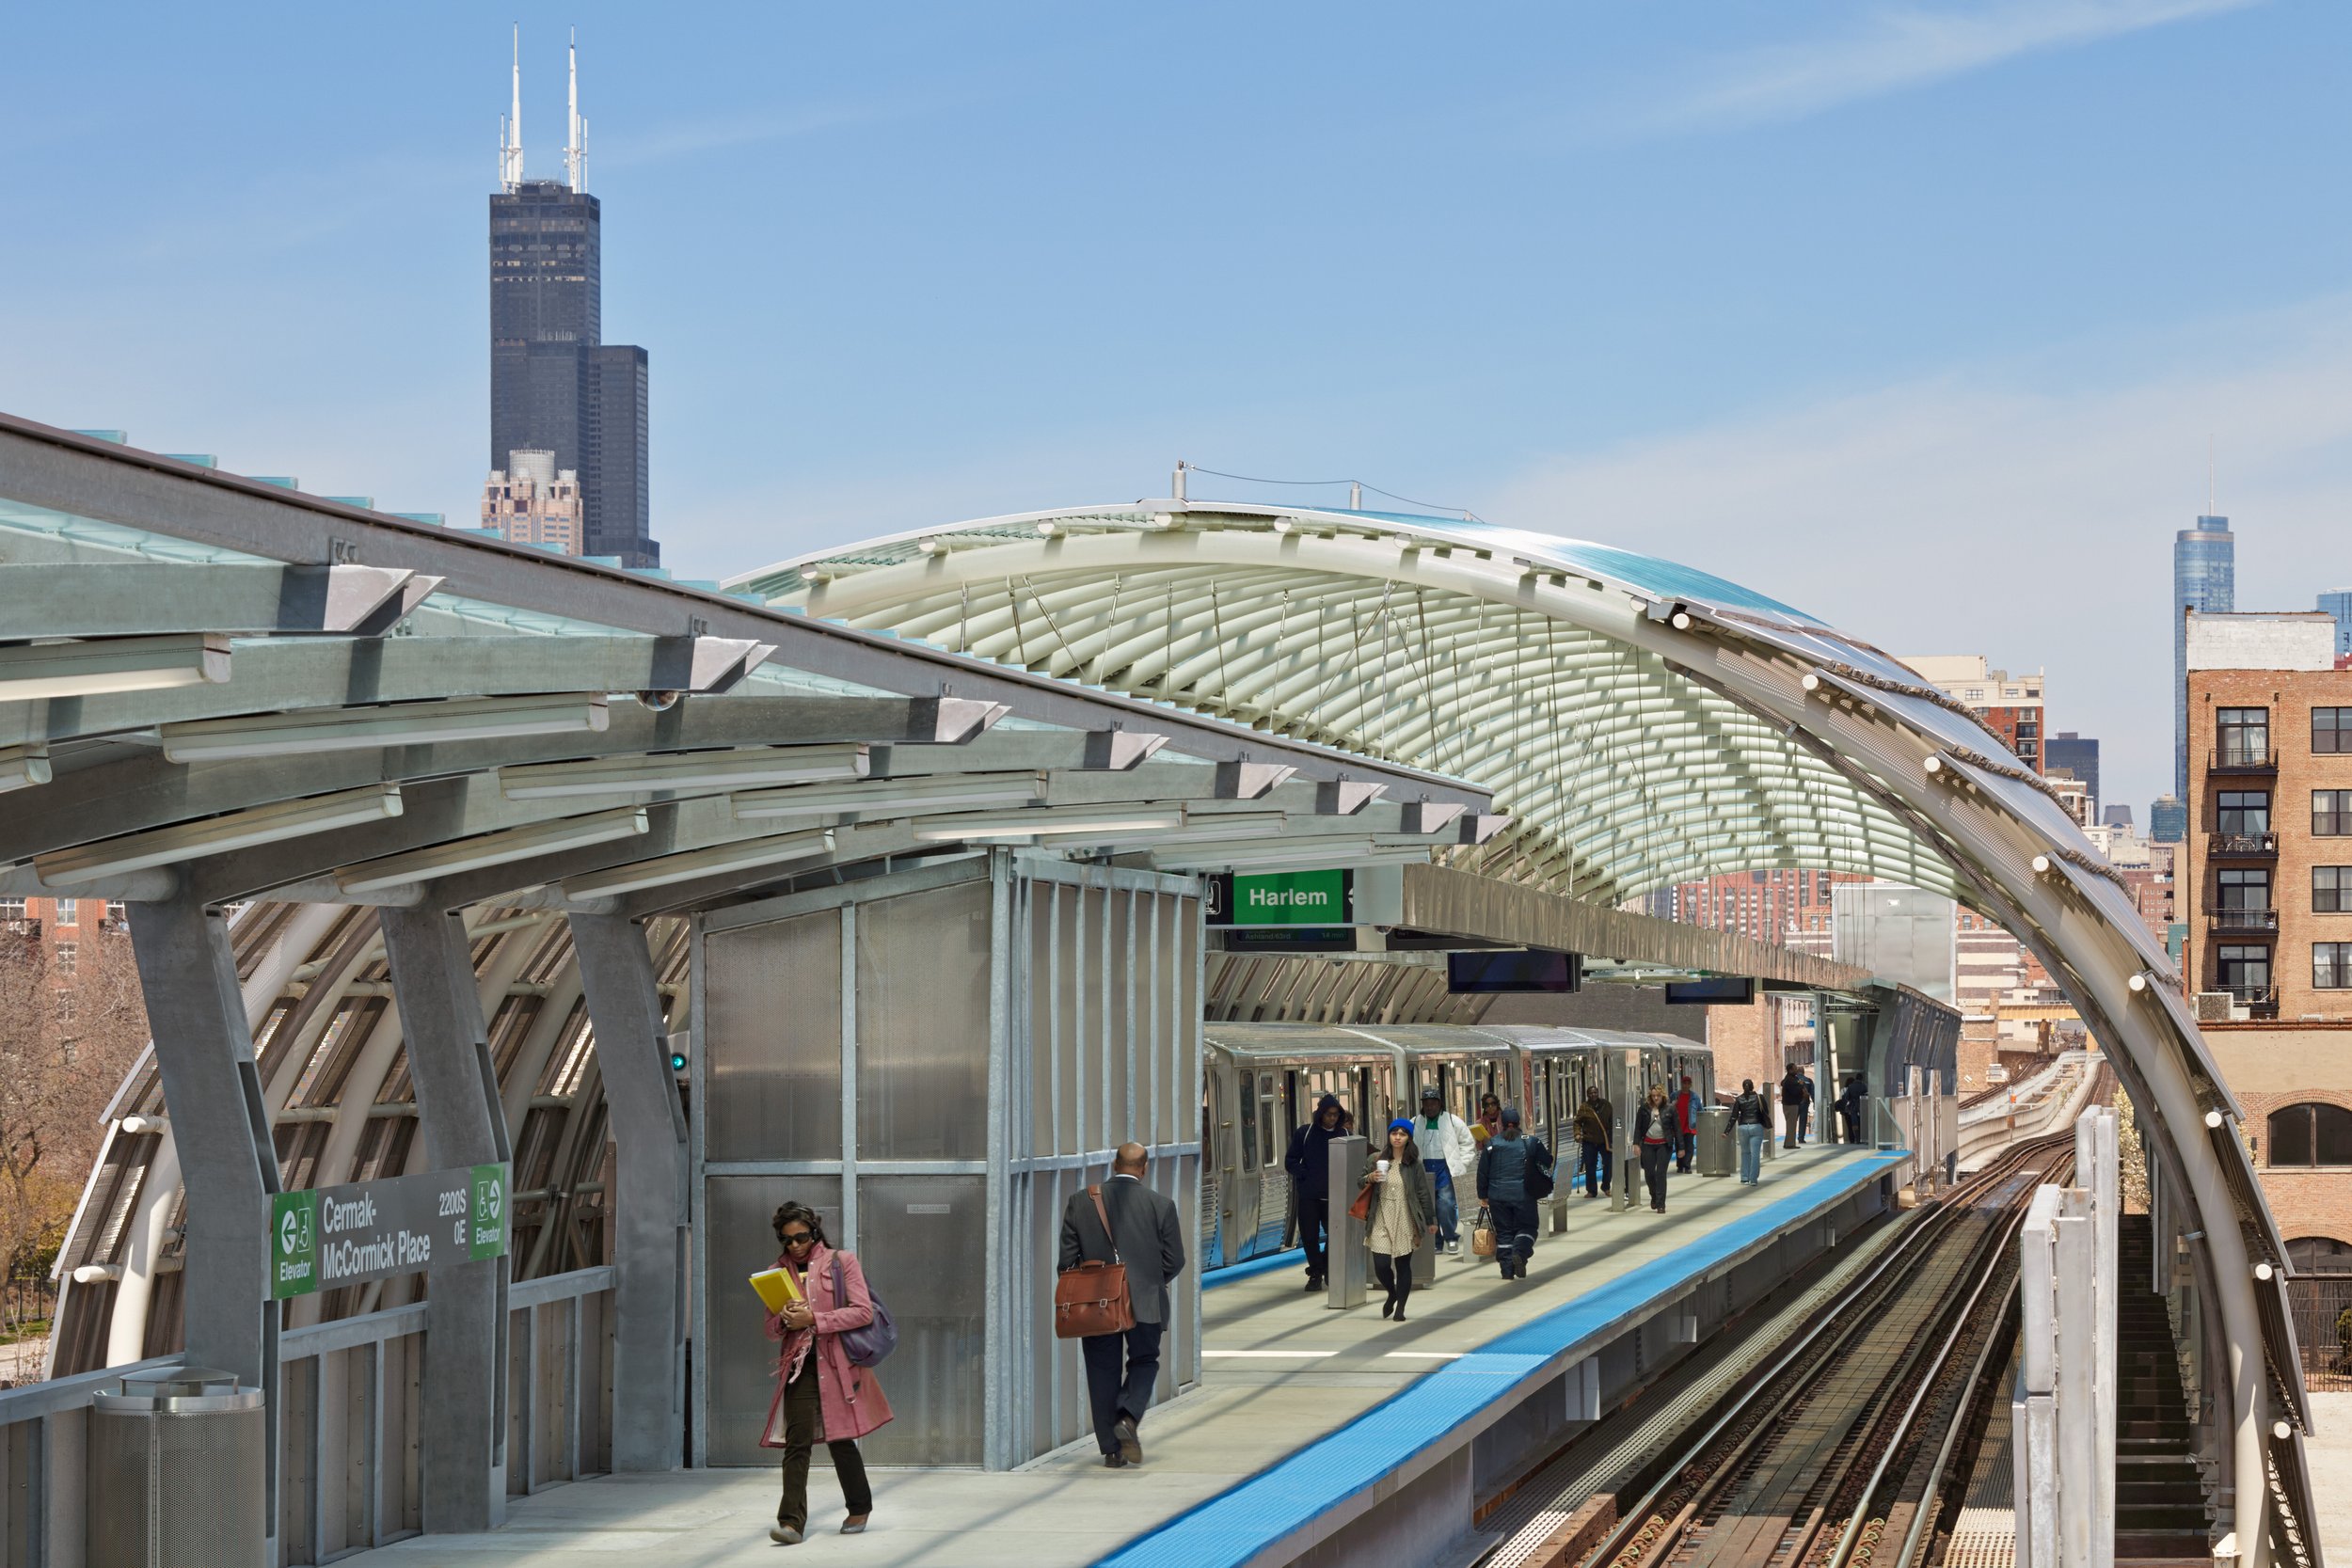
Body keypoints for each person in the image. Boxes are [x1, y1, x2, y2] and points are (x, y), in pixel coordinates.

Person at [760, 1202, 892, 1544]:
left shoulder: (841, 1262)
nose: (795, 1245)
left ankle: (860, 1507)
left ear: (814, 1231)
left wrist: (815, 1320)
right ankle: (790, 1523)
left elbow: (863, 1313)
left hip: (837, 1365)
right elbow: (771, 1330)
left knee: (841, 1439)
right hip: (800, 1367)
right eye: (786, 1239)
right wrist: (786, 1318)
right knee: (797, 1443)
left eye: (801, 1236)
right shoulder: (777, 1272)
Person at [1057, 1143, 1187, 1468]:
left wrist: (1096, 1282)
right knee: (1145, 1361)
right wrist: (1147, 1282)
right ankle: (1128, 1415)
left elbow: (1066, 1262)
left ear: (1114, 1164)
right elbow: (1175, 1260)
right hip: (1145, 1303)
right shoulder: (1161, 1205)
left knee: (1102, 1372)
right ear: (1144, 1168)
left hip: (1098, 1304)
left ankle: (1112, 1451)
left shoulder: (1080, 1202)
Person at [1359, 1119, 1438, 1321]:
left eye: (1402, 1134)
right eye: (1394, 1133)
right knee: (1381, 1264)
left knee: (1403, 1265)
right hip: (1381, 1214)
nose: (1397, 1137)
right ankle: (1392, 1293)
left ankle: (1400, 1309)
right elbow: (1359, 1182)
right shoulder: (1375, 1159)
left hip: (1405, 1215)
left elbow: (1423, 1193)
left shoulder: (1414, 1165)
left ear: (1408, 1139)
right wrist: (1370, 1177)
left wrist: (1430, 1220)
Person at [1475, 1104, 1553, 1279]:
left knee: (1504, 1233)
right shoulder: (1531, 1141)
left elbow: (1483, 1172)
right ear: (1518, 1123)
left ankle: (1506, 1270)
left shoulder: (1492, 1143)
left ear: (1502, 1123)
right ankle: (1520, 1252)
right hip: (1523, 1195)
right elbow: (1547, 1160)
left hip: (1497, 1197)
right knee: (1528, 1228)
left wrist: (1483, 1195)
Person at [1283, 1094, 1347, 1292]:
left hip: (1334, 1196)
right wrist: (1306, 1175)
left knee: (1334, 1235)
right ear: (1321, 1114)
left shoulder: (1344, 1134)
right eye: (1329, 1115)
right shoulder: (1305, 1133)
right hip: (1309, 1196)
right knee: (1309, 1237)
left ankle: (1324, 1266)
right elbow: (1291, 1160)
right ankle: (1316, 1273)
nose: (1332, 1119)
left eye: (1336, 1115)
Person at [1411, 1087, 1476, 1255]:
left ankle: (1450, 1237)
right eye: (1426, 1104)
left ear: (1440, 1104)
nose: (1430, 1107)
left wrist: (1461, 1163)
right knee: (1427, 1205)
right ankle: (1435, 1241)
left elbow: (1468, 1143)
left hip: (1445, 1168)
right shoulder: (1415, 1122)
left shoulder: (1453, 1121)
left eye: (1433, 1103)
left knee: (1445, 1204)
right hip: (1423, 1167)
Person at [1632, 1086, 1675, 1212]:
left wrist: (1681, 1148)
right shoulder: (1644, 1109)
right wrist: (1636, 1144)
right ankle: (1654, 1196)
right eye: (1653, 1095)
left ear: (1663, 1096)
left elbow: (1676, 1128)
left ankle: (1661, 1204)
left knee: (1661, 1174)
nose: (1656, 1098)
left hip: (1664, 1145)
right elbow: (1638, 1128)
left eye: (1658, 1096)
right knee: (1649, 1173)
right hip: (1648, 1145)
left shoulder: (1670, 1109)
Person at [1573, 1091, 1611, 1200]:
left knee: (1608, 1163)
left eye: (1595, 1092)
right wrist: (1577, 1134)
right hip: (1589, 1140)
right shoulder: (1584, 1107)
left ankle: (1606, 1186)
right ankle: (1591, 1190)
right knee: (1590, 1166)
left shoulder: (1606, 1105)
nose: (1593, 1095)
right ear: (1587, 1095)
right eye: (1590, 1093)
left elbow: (1613, 1119)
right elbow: (1577, 1122)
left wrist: (1614, 1135)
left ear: (1598, 1093)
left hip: (1605, 1141)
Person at [1733, 1078, 1770, 1184]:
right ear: (1753, 1086)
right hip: (1756, 1126)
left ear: (1743, 1087)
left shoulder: (1739, 1099)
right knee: (1755, 1154)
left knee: (1745, 1153)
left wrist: (1726, 1132)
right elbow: (1765, 1112)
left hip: (1743, 1127)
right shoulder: (1759, 1097)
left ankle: (1744, 1177)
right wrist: (1765, 1125)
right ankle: (1753, 1179)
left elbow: (1734, 1116)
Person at [1671, 1076, 1699, 1174]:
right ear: (1681, 1084)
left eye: (1688, 1083)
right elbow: (1668, 1108)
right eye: (1684, 1083)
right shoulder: (1674, 1095)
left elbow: (1700, 1110)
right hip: (1677, 1125)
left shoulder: (1695, 1097)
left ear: (1690, 1085)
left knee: (1689, 1146)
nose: (1686, 1085)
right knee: (1679, 1146)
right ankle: (1680, 1165)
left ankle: (1687, 1166)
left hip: (1690, 1125)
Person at [1780, 1065, 1812, 1149]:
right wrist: (1801, 1085)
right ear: (1790, 1070)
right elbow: (1794, 1091)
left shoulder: (1791, 1079)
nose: (1796, 1070)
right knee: (1791, 1125)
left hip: (1791, 1104)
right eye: (1794, 1069)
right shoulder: (1790, 1080)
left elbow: (1782, 1083)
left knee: (1791, 1125)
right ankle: (1790, 1144)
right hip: (1791, 1105)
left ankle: (1788, 1143)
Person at [1835, 1074, 1867, 1146]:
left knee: (1854, 1124)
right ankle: (1862, 1138)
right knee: (1861, 1123)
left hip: (1853, 1107)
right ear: (1862, 1078)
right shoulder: (1864, 1086)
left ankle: (1857, 1139)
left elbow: (1847, 1097)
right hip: (1862, 1107)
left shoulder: (1851, 1087)